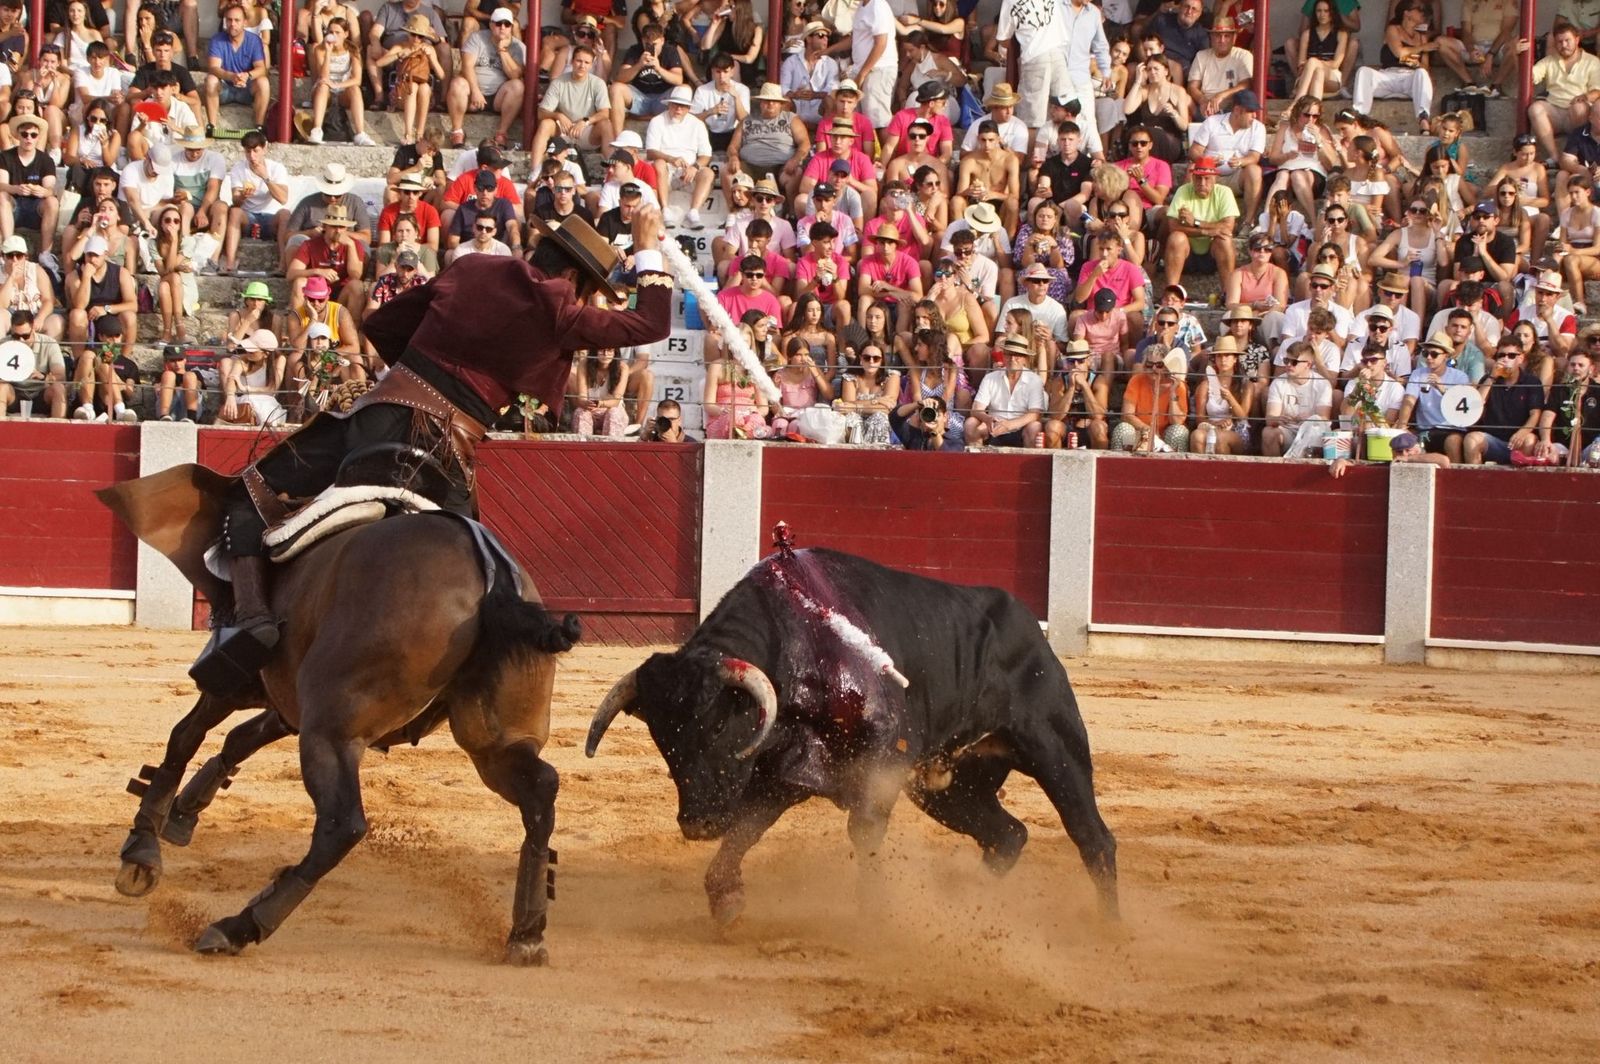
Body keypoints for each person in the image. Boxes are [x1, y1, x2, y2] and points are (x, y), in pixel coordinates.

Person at [193, 209, 676, 689]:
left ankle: (249, 624)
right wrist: (647, 244)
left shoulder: (472, 266)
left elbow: (382, 326)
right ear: (572, 275)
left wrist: (421, 369)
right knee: (481, 573)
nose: (586, 297)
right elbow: (652, 323)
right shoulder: (562, 310)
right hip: (447, 452)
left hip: (376, 420)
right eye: (588, 287)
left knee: (250, 496)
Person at [446, 8, 525, 151]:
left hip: (499, 97)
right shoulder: (477, 38)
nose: (502, 27)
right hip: (473, 94)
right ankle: (457, 131)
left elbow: (515, 75)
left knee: (518, 86)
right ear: (490, 24)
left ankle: (502, 134)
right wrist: (476, 91)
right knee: (457, 83)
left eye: (507, 24)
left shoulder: (518, 46)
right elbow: (467, 66)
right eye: (498, 23)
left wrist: (502, 50)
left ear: (511, 27)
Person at [1353, 1, 1437, 135]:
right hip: (1388, 76)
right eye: (1418, 9)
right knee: (1363, 71)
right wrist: (1421, 48)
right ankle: (1359, 117)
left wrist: (1414, 62)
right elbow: (1399, 52)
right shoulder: (1393, 29)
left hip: (1409, 79)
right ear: (1407, 13)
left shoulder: (1422, 37)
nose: (1422, 12)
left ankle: (1423, 118)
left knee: (1421, 73)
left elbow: (1425, 67)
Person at [1527, 20, 1600, 165]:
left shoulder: (1593, 61)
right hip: (1555, 111)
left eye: (1567, 40)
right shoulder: (1549, 61)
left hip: (1578, 112)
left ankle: (1576, 154)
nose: (1564, 45)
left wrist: (1585, 96)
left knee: (1579, 106)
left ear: (1577, 40)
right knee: (1535, 108)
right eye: (1559, 42)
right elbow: (1530, 77)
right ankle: (1555, 156)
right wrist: (1521, 56)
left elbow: (1597, 90)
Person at [1190, 90, 1265, 227]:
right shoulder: (1212, 122)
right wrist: (1207, 163)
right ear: (1237, 110)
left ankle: (1248, 222)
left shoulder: (1258, 128)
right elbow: (1194, 151)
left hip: (1237, 176)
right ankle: (1188, 217)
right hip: (1209, 175)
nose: (1254, 116)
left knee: (1254, 170)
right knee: (1192, 168)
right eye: (1251, 112)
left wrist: (1241, 161)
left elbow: (1255, 157)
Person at [644, 85, 715, 230]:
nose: (678, 110)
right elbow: (651, 151)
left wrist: (694, 167)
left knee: (708, 173)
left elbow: (706, 155)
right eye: (675, 105)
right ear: (669, 104)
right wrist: (670, 159)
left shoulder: (697, 124)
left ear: (688, 108)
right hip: (666, 170)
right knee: (659, 163)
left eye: (683, 106)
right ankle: (665, 209)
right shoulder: (657, 121)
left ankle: (693, 212)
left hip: (689, 170)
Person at [527, 43, 611, 162]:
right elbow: (541, 112)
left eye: (587, 63)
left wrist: (585, 121)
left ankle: (611, 166)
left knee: (606, 124)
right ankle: (535, 172)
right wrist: (558, 115)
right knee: (545, 124)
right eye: (579, 61)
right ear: (572, 62)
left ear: (592, 65)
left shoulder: (598, 83)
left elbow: (605, 113)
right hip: (564, 130)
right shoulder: (558, 82)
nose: (582, 66)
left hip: (586, 131)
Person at [1162, 157, 1238, 288]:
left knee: (1224, 240)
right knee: (1176, 238)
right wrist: (1206, 231)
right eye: (1198, 178)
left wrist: (1196, 222)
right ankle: (1172, 292)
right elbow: (1173, 226)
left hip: (1213, 252)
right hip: (1187, 252)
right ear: (1192, 178)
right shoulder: (1183, 190)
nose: (1202, 183)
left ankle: (1228, 293)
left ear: (1215, 179)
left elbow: (1228, 227)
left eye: (1207, 178)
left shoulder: (1224, 192)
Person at [1397, 332, 1473, 459]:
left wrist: (1442, 389)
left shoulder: (1460, 377)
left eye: (1434, 354)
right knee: (1404, 441)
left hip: (1452, 429)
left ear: (1446, 356)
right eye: (1426, 353)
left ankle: (1455, 476)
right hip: (1425, 430)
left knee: (1453, 442)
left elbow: (1464, 409)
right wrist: (1402, 426)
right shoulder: (1417, 374)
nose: (1429, 358)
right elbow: (1408, 401)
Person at [1462, 337, 1542, 455]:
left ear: (1520, 358)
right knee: (1471, 439)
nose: (1505, 359)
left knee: (1530, 440)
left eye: (1511, 356)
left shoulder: (1531, 381)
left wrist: (1523, 432)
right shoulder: (1488, 380)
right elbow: (1476, 406)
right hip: (1492, 439)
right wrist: (1492, 377)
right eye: (1501, 355)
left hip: (1518, 439)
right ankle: (1477, 474)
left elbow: (1535, 414)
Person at [305, 16, 376, 147]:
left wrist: (337, 85)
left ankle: (360, 133)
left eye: (337, 33)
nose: (333, 35)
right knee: (324, 86)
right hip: (325, 90)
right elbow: (323, 76)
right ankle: (316, 130)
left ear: (346, 34)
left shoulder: (353, 50)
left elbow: (357, 79)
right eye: (331, 32)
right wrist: (328, 53)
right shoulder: (320, 49)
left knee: (355, 89)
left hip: (343, 89)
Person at [966, 334, 1045, 447]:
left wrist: (1009, 425)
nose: (1012, 359)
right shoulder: (990, 378)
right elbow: (976, 409)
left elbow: (1034, 414)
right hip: (993, 427)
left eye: (1017, 355)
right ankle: (976, 462)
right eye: (1009, 354)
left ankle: (1028, 464)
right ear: (1003, 356)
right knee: (971, 424)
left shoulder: (1034, 380)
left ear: (1025, 359)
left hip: (1020, 428)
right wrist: (987, 419)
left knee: (1034, 426)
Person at [204, 3, 269, 133]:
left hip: (246, 87)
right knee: (211, 80)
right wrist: (231, 76)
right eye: (229, 20)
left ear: (245, 22)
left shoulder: (254, 40)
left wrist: (247, 75)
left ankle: (259, 127)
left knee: (263, 82)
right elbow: (213, 68)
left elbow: (262, 68)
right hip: (225, 88)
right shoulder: (217, 40)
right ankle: (212, 126)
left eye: (237, 20)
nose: (232, 24)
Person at [1262, 340, 1333, 456]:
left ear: (1308, 364)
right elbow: (1269, 418)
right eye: (1286, 361)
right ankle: (1275, 472)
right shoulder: (1278, 382)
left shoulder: (1322, 384)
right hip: (1287, 431)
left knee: (1316, 428)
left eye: (1294, 362)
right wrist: (1278, 419)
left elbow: (1324, 419)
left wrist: (1310, 418)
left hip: (1312, 433)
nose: (1289, 365)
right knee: (1268, 433)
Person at [1112, 345, 1189, 451]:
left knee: (1179, 431)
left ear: (1166, 366)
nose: (1153, 368)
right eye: (1149, 364)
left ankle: (1174, 466)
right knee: (1122, 428)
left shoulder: (1178, 385)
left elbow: (1176, 421)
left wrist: (1172, 393)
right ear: (1144, 365)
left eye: (1159, 365)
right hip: (1140, 432)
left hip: (1166, 437)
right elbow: (1127, 415)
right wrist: (1148, 430)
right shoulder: (1136, 380)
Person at [1535, 347, 1600, 464]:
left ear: (1591, 369)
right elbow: (1547, 416)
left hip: (1591, 447)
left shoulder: (1598, 391)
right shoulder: (1559, 390)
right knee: (1546, 452)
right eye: (1572, 365)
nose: (1576, 368)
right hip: (1563, 447)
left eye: (1581, 365)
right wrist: (1545, 439)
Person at [0, 309, 67, 419]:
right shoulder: (4, 344)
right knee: (1, 388)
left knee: (58, 389)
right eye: (16, 336)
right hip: (14, 393)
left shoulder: (49, 343)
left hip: (40, 393)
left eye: (26, 336)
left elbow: (61, 377)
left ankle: (59, 432)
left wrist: (43, 376)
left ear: (33, 328)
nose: (21, 340)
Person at [848, 0, 899, 133]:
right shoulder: (862, 6)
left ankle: (888, 154)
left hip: (878, 69)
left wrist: (862, 74)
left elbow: (881, 43)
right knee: (863, 121)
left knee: (879, 121)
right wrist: (827, 51)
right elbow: (856, 40)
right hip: (864, 69)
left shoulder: (877, 5)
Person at [1290, 0, 1352, 101]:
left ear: (1332, 12)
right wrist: (1315, 64)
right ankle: (1312, 106)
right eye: (1319, 11)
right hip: (1308, 74)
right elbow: (1300, 63)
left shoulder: (1341, 34)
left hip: (1331, 77)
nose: (1322, 14)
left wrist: (1315, 62)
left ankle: (1297, 101)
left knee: (1313, 62)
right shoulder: (1307, 34)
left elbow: (1335, 64)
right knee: (1317, 71)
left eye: (1326, 11)